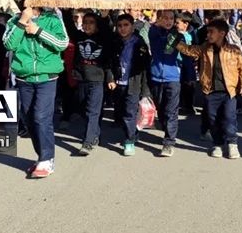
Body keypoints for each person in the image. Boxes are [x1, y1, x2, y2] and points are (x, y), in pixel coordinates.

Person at [3, 0, 69, 179]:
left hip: (46, 77)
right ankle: (42, 156)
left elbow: (62, 43)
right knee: (30, 119)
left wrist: (38, 31)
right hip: (24, 77)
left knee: (41, 116)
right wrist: (22, 23)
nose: (25, 1)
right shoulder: (14, 21)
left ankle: (47, 158)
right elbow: (9, 44)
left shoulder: (52, 19)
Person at [175, 18, 242, 159]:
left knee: (229, 118)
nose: (208, 35)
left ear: (222, 33)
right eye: (207, 32)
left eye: (211, 32)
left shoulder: (233, 50)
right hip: (210, 91)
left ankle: (232, 143)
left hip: (229, 91)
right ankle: (218, 144)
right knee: (212, 119)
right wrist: (176, 43)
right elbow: (190, 50)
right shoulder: (204, 48)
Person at [61, 10, 112, 156]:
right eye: (85, 23)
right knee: (84, 109)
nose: (88, 25)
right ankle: (95, 134)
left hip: (97, 79)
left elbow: (107, 29)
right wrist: (65, 10)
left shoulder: (102, 37)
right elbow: (69, 26)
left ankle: (87, 142)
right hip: (82, 79)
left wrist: (103, 16)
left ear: (97, 25)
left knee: (92, 111)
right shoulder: (79, 37)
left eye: (91, 23)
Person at [107, 13, 151, 157]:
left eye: (126, 25)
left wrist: (145, 91)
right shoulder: (114, 42)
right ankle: (133, 132)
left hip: (133, 83)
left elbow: (145, 68)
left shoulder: (139, 43)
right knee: (121, 112)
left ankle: (129, 141)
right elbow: (110, 63)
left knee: (129, 113)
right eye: (120, 26)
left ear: (132, 26)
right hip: (119, 83)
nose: (122, 29)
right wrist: (110, 79)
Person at [148, 9, 187, 156]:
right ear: (158, 19)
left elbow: (185, 52)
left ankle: (169, 142)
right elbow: (160, 46)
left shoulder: (179, 35)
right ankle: (165, 127)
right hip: (156, 76)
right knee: (161, 108)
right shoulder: (154, 32)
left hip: (173, 78)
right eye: (165, 18)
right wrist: (167, 34)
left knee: (171, 111)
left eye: (171, 18)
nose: (168, 21)